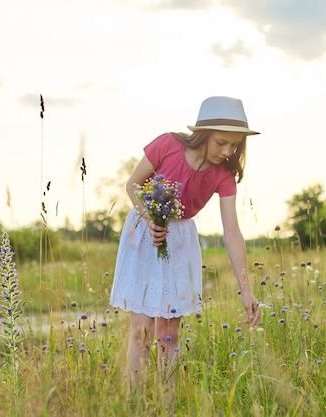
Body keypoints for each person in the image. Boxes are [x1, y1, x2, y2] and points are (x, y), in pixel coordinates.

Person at [109, 96, 262, 393]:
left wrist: (247, 290)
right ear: (204, 134)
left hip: (179, 243)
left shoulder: (224, 175)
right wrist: (150, 217)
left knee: (168, 333)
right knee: (141, 330)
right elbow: (133, 185)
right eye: (221, 142)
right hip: (145, 231)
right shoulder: (167, 145)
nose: (228, 151)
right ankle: (134, 404)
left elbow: (232, 232)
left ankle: (167, 404)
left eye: (235, 145)